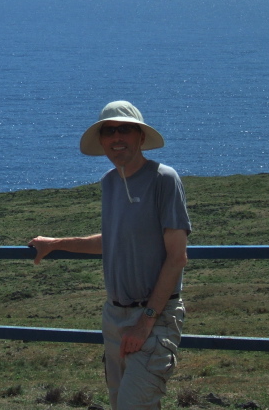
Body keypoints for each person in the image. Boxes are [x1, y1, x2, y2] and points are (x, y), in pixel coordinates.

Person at [28, 101, 191, 409]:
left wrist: (145, 323)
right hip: (115, 318)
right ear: (101, 140)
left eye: (125, 129)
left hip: (153, 318)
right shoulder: (109, 183)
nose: (117, 137)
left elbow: (177, 257)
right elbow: (112, 241)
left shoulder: (164, 180)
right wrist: (55, 243)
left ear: (141, 136)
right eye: (109, 131)